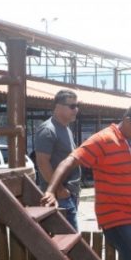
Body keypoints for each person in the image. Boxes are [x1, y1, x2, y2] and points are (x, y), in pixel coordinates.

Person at [43, 101, 131, 260]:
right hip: (117, 217)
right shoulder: (103, 139)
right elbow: (70, 161)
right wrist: (51, 190)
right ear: (127, 121)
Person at [34, 89, 82, 230]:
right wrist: (59, 190)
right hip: (59, 196)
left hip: (68, 194)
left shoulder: (65, 129)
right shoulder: (48, 130)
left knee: (69, 241)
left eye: (77, 105)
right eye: (72, 106)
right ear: (58, 106)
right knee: (69, 241)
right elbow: (42, 163)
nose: (76, 110)